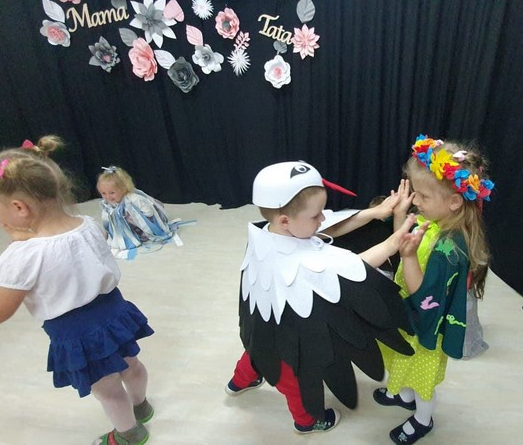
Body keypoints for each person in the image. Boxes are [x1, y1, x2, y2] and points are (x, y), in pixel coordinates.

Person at [0, 136, 155, 445]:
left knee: (108, 390)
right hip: (116, 314)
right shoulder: (88, 225)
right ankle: (142, 406)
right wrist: (26, 238)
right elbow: (67, 256)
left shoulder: (21, 257)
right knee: (132, 366)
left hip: (77, 334)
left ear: (19, 208)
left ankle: (130, 434)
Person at [225, 161, 419, 436]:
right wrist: (393, 242)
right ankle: (306, 422)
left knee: (256, 350)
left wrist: (375, 212)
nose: (321, 219)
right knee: (295, 381)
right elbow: (353, 269)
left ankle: (239, 381)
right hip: (289, 340)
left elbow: (329, 227)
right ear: (285, 220)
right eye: (316, 215)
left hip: (261, 325)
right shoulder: (294, 261)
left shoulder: (266, 231)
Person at [375, 135, 494, 444]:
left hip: (425, 329)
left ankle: (422, 419)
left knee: (421, 378)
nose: (415, 201)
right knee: (402, 359)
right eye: (414, 193)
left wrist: (408, 257)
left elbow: (424, 296)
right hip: (409, 315)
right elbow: (404, 240)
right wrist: (400, 215)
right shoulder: (434, 220)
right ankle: (404, 395)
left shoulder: (448, 251)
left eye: (423, 196)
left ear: (454, 201)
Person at [97, 166, 186, 260]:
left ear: (124, 188)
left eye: (112, 193)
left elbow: (149, 213)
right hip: (125, 228)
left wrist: (137, 220)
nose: (107, 197)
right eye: (103, 193)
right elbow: (107, 219)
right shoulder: (107, 204)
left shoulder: (133, 199)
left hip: (140, 227)